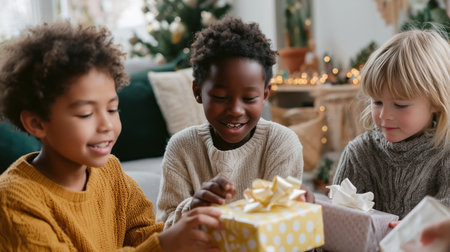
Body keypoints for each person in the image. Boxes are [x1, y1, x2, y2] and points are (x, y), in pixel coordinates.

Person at [0, 22, 222, 251]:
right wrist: (165, 245)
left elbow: (145, 235)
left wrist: (187, 228)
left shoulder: (110, 172)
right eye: (86, 114)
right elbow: (157, 246)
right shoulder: (14, 202)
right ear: (37, 123)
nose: (107, 125)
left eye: (112, 109)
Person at [156, 16, 309, 228]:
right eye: (220, 97)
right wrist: (193, 210)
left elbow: (282, 227)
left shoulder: (282, 143)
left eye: (249, 99)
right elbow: (163, 232)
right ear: (198, 92)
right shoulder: (181, 148)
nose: (236, 110)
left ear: (265, 95)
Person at [333, 28, 450, 219]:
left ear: (436, 102)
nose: (385, 115)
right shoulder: (359, 153)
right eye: (377, 102)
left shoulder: (446, 154)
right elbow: (338, 223)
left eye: (400, 105)